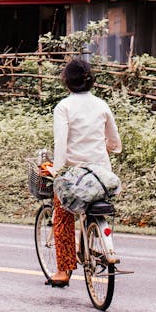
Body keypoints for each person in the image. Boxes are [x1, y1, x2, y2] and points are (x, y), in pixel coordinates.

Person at [47, 57, 122, 288]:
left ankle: (63, 270)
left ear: (67, 82)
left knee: (62, 215)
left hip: (75, 175)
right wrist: (103, 149)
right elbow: (115, 143)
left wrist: (57, 172)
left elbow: (61, 145)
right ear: (90, 81)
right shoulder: (102, 105)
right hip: (101, 175)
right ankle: (94, 242)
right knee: (95, 208)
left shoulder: (64, 107)